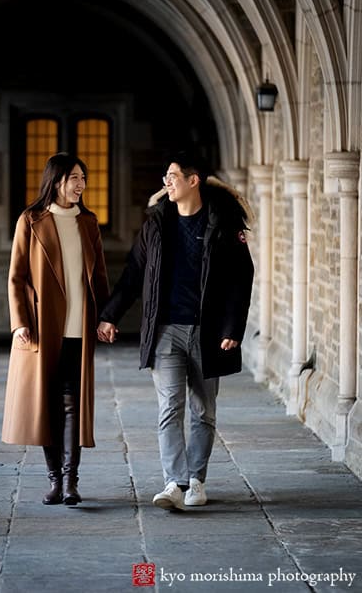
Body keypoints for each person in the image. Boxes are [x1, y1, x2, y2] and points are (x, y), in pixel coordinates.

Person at [97, 149, 254, 510]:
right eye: (166, 177)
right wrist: (110, 315)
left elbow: (240, 279)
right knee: (170, 407)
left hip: (208, 332)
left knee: (203, 411)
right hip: (164, 331)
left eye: (173, 176)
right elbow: (133, 274)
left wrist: (233, 327)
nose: (166, 182)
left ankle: (197, 481)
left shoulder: (223, 224)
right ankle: (174, 482)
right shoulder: (155, 225)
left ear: (192, 180)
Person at [2, 152, 109, 506]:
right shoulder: (30, 221)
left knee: (71, 405)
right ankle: (54, 479)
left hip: (78, 327)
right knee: (46, 404)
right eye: (75, 178)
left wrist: (105, 317)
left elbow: (100, 279)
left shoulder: (89, 222)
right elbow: (16, 277)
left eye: (83, 178)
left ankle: (70, 482)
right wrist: (19, 323)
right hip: (41, 329)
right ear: (57, 180)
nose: (82, 184)